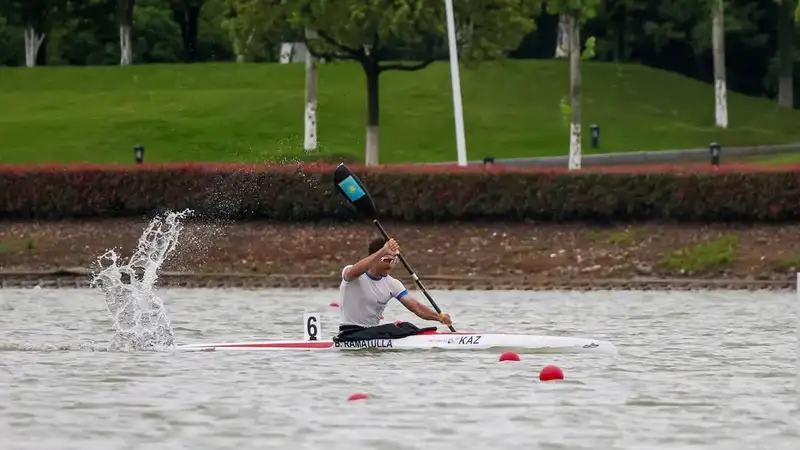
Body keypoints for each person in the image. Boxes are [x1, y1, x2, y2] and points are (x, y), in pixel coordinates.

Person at [334, 235, 453, 342]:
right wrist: (383, 250)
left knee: (406, 326)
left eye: (394, 260)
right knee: (391, 328)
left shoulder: (392, 284)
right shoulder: (353, 274)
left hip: (372, 334)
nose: (391, 265)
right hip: (350, 334)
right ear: (374, 257)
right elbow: (353, 271)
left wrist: (439, 317)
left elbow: (416, 307)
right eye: (387, 260)